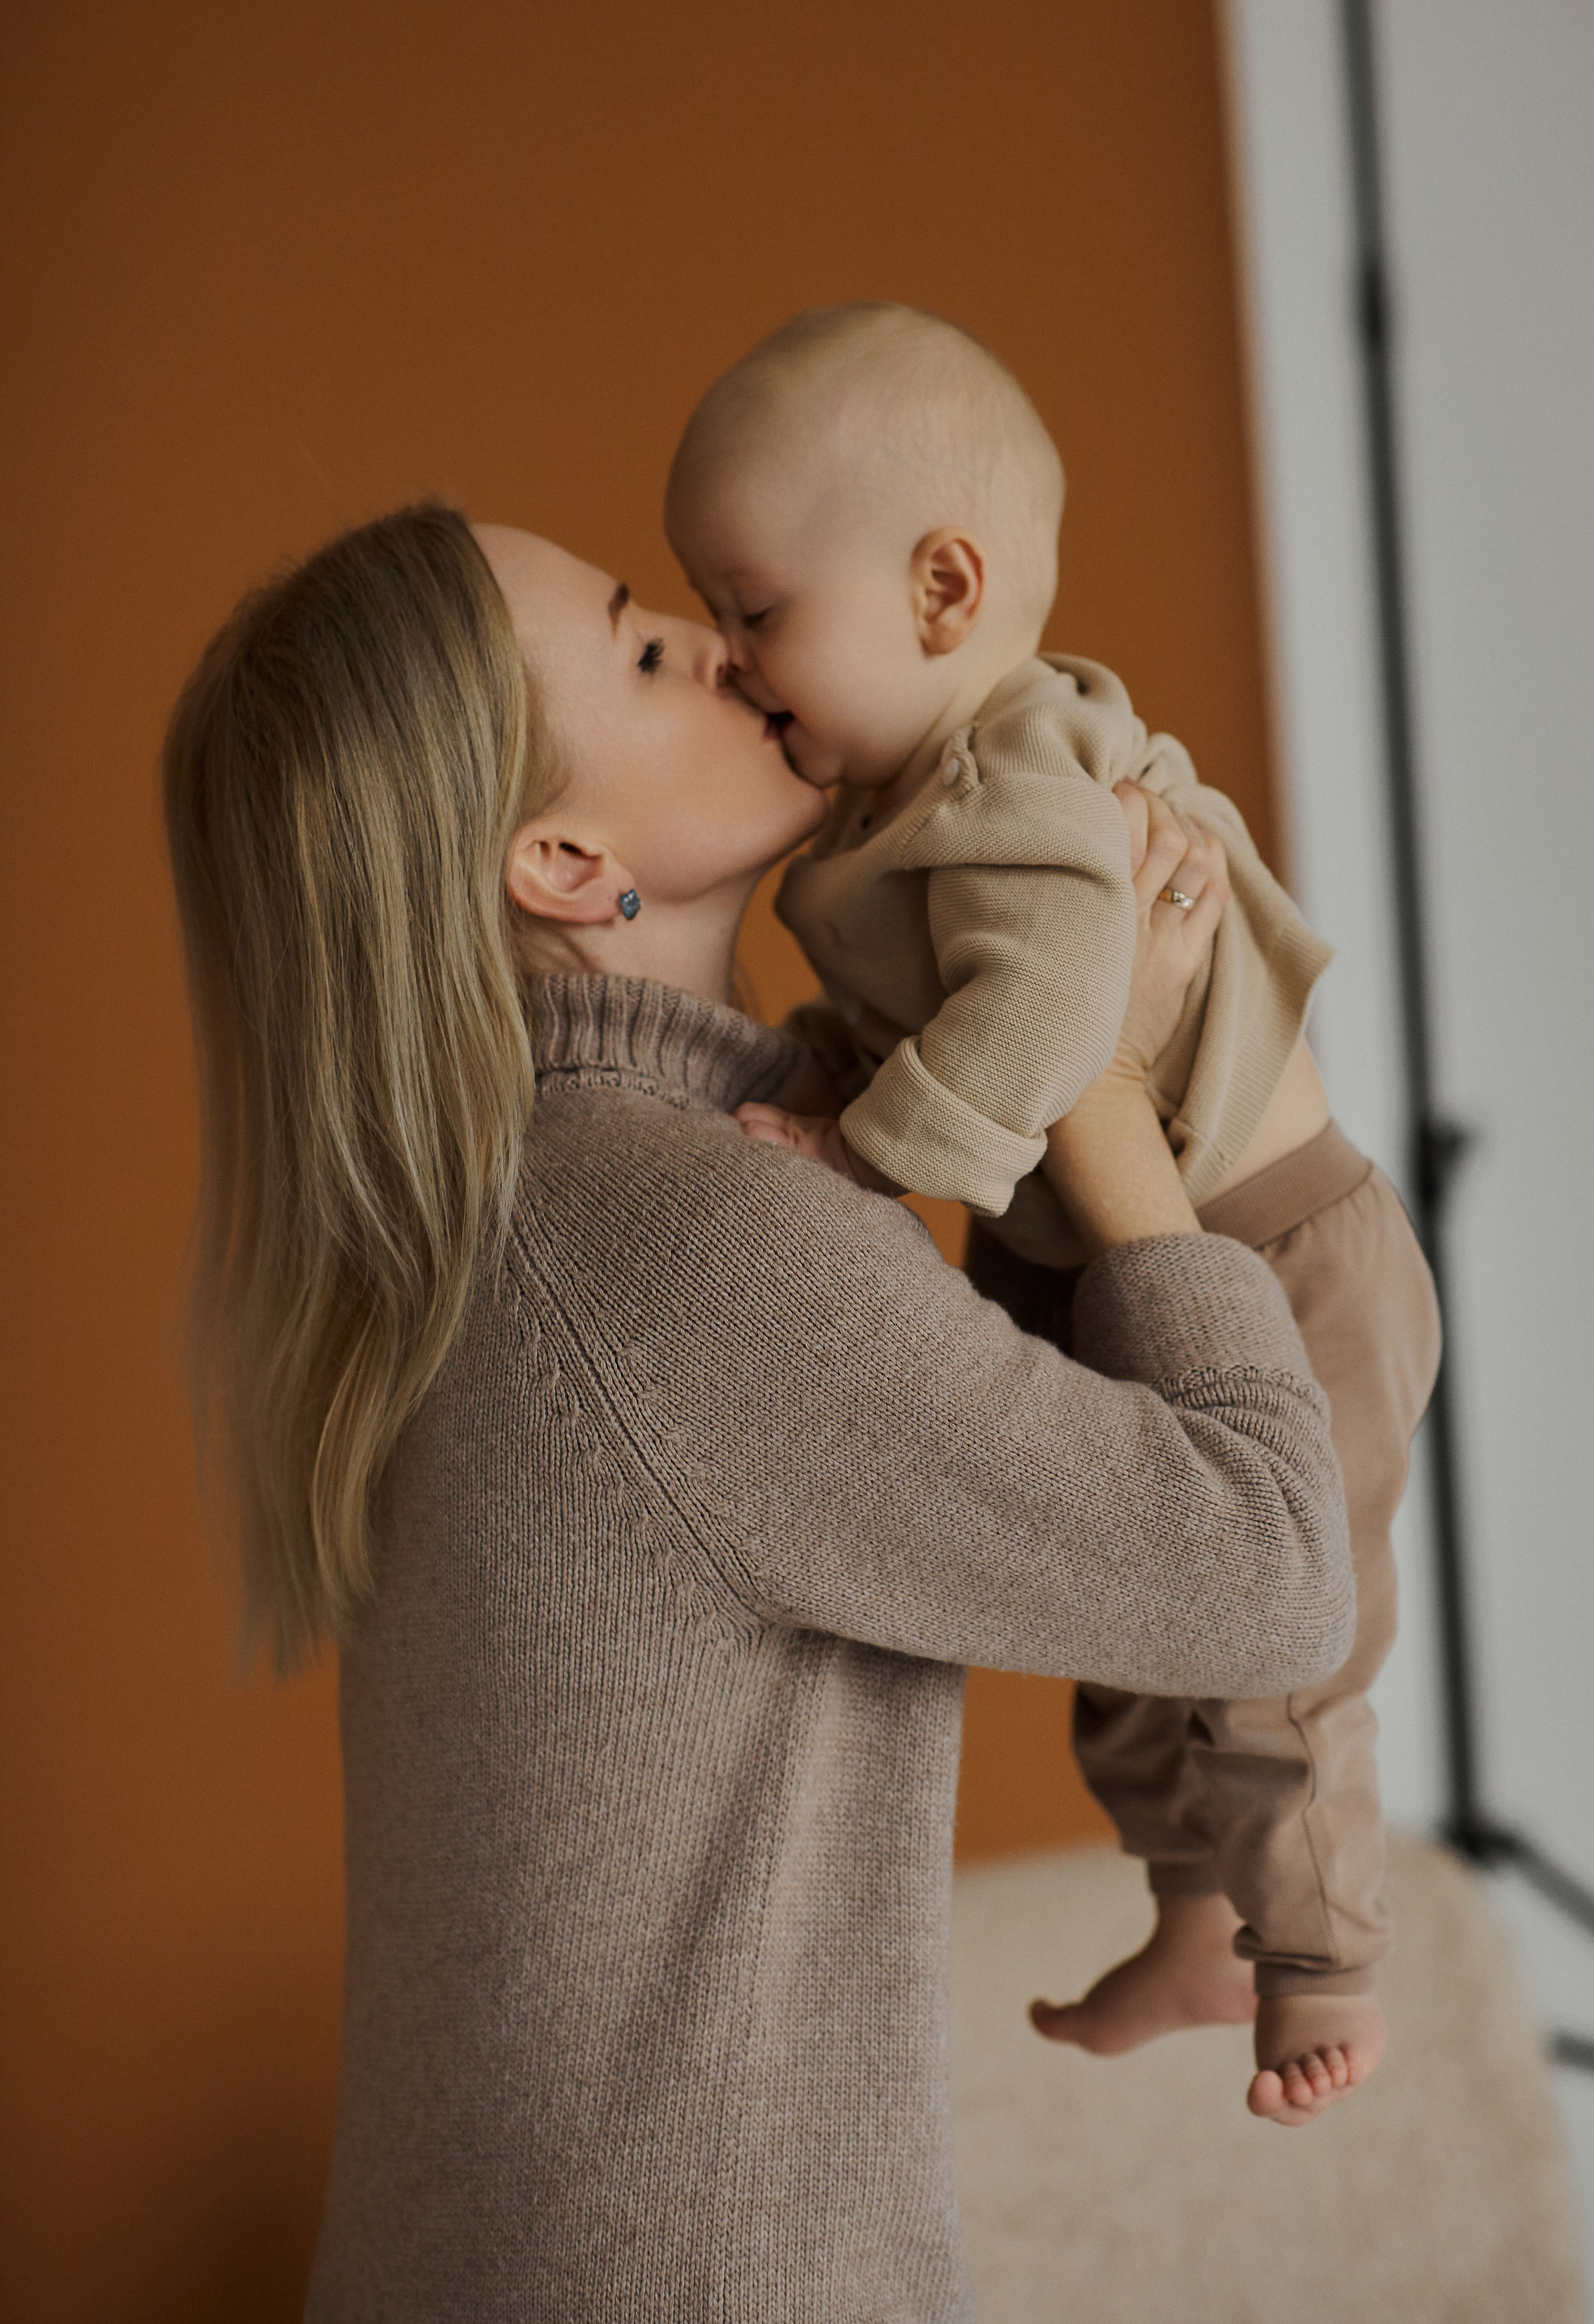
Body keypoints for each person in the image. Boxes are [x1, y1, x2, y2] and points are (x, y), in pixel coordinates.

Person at [161, 501, 1354, 2319]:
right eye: (647, 649)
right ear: (563, 858)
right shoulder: (673, 1235)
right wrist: (1096, 1073)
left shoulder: (529, 1220)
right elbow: (1265, 1569)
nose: (728, 645)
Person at [665, 302, 1441, 2123]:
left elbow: (1045, 1007)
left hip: (1281, 1262)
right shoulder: (891, 795)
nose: (725, 656)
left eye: (754, 609)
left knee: (1279, 1660)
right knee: (1128, 1633)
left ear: (944, 587)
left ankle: (1321, 1966)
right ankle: (1191, 1920)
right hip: (1112, 1260)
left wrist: (862, 1158)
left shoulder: (1018, 760)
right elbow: (903, 1022)